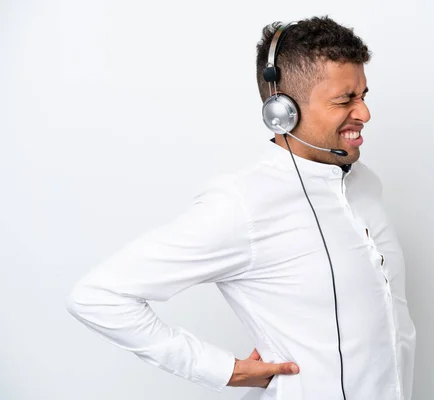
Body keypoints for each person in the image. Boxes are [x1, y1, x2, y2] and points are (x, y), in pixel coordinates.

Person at [67, 16, 416, 400]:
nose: (364, 113)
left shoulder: (365, 183)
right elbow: (99, 296)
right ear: (282, 111)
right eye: (344, 100)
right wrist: (223, 371)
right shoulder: (243, 204)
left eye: (363, 95)